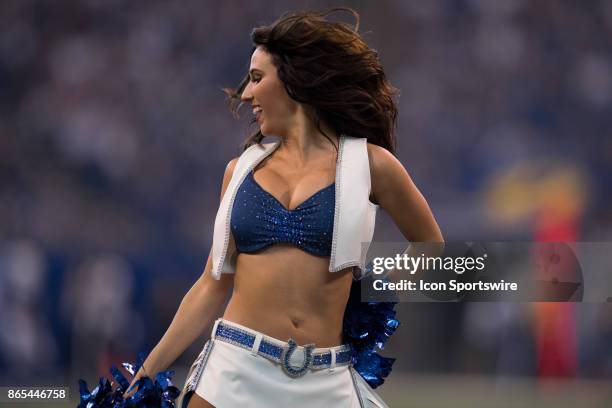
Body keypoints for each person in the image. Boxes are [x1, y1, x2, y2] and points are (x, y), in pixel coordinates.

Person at [125, 7, 443, 408]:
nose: (246, 94)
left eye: (257, 79)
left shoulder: (372, 165)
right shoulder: (238, 171)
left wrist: (374, 291)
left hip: (326, 378)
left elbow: (430, 245)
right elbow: (212, 283)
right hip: (235, 369)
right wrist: (146, 373)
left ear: (295, 81)